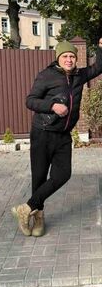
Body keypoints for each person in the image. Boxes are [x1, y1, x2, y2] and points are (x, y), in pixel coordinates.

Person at [12, 37, 102, 237]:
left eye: (72, 56)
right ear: (58, 58)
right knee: (39, 177)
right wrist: (52, 105)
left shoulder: (79, 75)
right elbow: (30, 101)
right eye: (65, 56)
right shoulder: (46, 75)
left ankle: (25, 209)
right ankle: (38, 219)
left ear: (76, 58)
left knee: (63, 174)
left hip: (63, 135)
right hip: (42, 133)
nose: (69, 60)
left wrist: (100, 47)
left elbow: (98, 67)